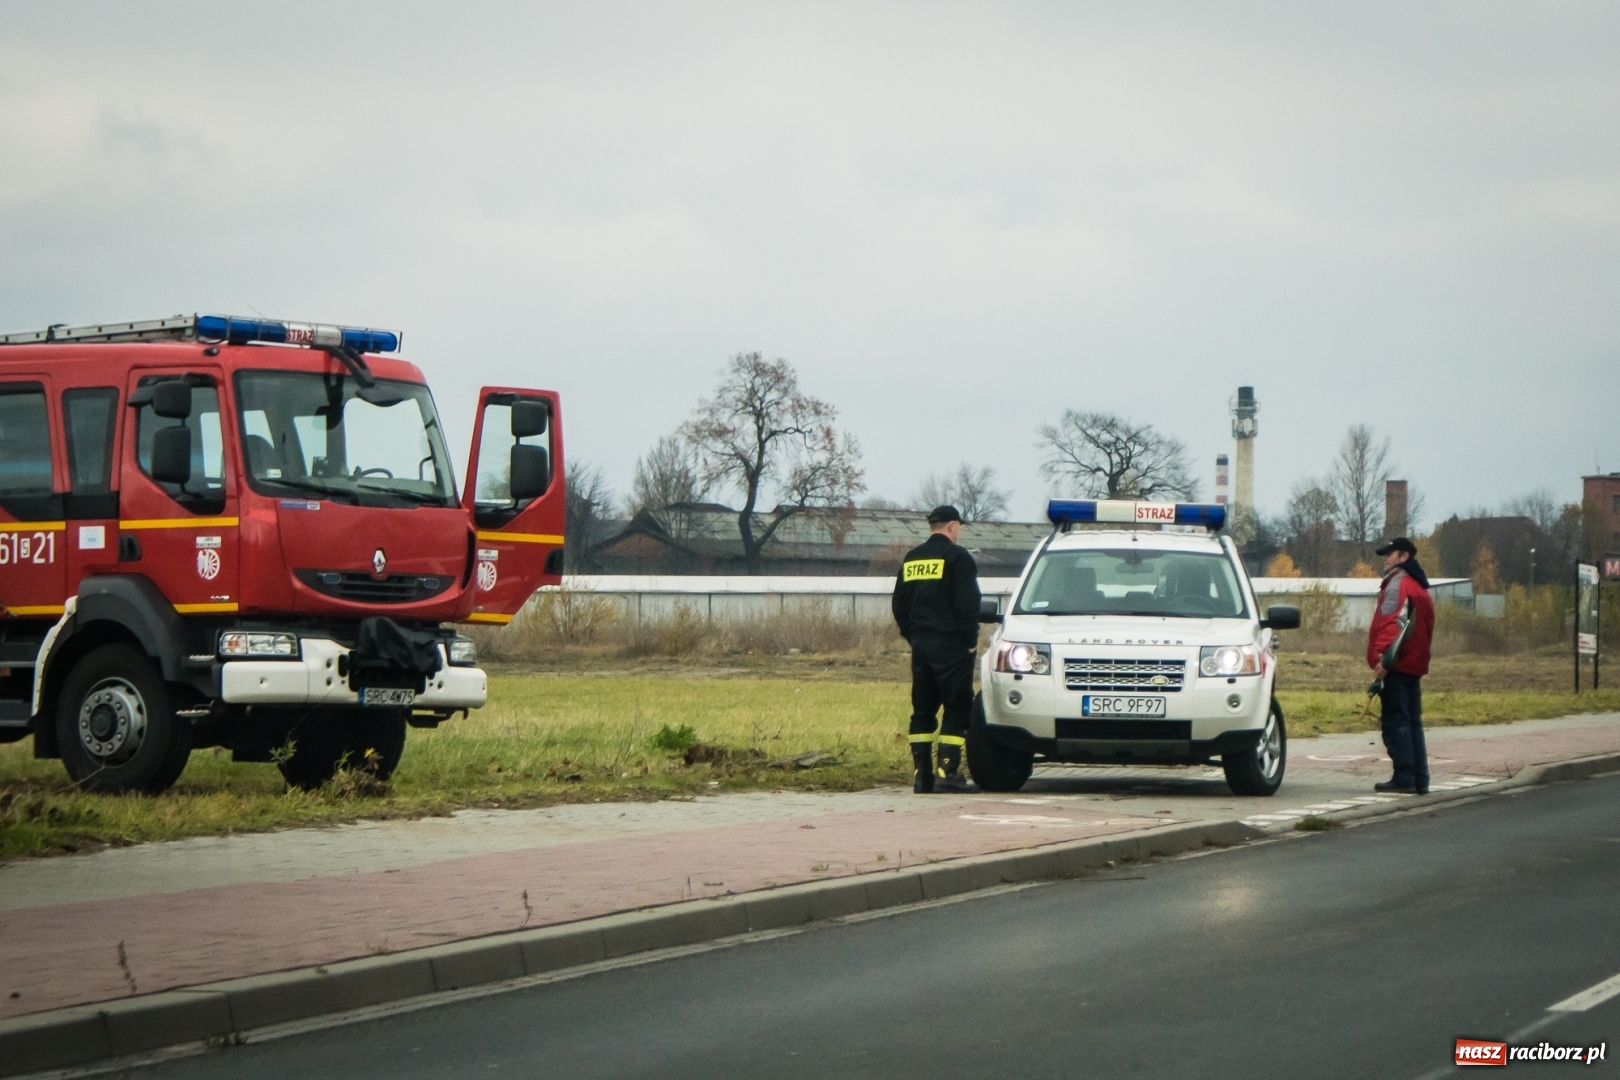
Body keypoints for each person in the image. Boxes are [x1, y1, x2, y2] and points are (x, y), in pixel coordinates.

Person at [891, 505, 982, 793]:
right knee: (957, 706)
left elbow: (899, 603)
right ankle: (947, 772)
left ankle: (922, 777)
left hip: (921, 646)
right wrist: (970, 640)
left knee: (922, 709)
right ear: (952, 525)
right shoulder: (959, 558)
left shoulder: (912, 558)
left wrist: (913, 635)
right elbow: (968, 604)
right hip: (952, 646)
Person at [1368, 536, 1436, 794]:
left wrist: (1382, 659)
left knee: (1396, 723)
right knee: (1413, 722)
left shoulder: (1398, 584)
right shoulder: (1420, 586)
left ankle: (1404, 777)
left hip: (1396, 664)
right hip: (1414, 664)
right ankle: (1420, 778)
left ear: (1404, 556)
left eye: (1390, 554)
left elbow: (1390, 623)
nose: (1385, 559)